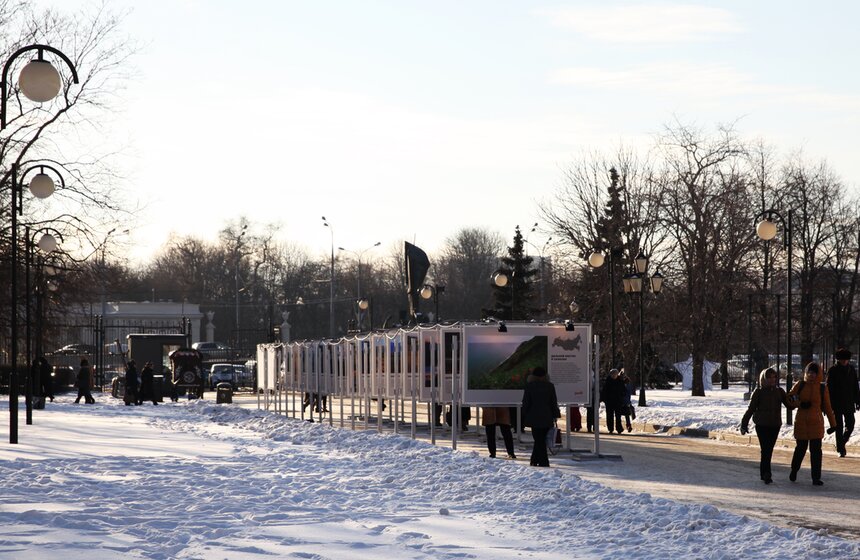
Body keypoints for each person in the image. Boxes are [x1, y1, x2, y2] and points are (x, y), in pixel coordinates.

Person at [787, 362, 837, 486]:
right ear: (806, 373)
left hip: (816, 423)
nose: (811, 375)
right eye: (809, 372)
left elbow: (827, 406)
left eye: (814, 373)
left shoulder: (822, 388)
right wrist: (799, 403)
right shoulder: (800, 385)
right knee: (800, 449)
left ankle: (816, 477)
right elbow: (790, 397)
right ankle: (794, 470)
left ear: (818, 374)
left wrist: (833, 424)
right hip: (801, 422)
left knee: (816, 452)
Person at [740, 367, 789, 484]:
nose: (772, 380)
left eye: (774, 377)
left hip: (775, 425)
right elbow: (751, 409)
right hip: (762, 425)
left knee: (769, 449)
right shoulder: (758, 392)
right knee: (765, 449)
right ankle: (766, 474)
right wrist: (744, 423)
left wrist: (798, 400)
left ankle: (765, 473)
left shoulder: (779, 391)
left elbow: (789, 405)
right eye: (769, 377)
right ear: (764, 379)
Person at [521, 366, 560, 467]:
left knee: (538, 439)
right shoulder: (550, 386)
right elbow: (553, 402)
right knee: (541, 439)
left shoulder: (529, 386)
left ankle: (543, 461)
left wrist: (524, 414)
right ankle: (534, 460)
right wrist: (555, 415)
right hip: (547, 416)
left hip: (533, 417)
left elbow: (526, 402)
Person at [826, 348, 860, 457]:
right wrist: (829, 404)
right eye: (842, 359)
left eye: (846, 359)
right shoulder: (833, 370)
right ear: (838, 360)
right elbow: (829, 388)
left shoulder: (851, 370)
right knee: (838, 426)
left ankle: (842, 442)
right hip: (836, 403)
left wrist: (858, 400)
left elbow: (855, 386)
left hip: (849, 402)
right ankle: (841, 449)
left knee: (851, 424)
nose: (845, 361)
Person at [602, 368, 627, 434]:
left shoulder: (620, 381)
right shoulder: (607, 381)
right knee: (610, 415)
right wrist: (605, 400)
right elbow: (604, 391)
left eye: (615, 374)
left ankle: (619, 428)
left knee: (618, 416)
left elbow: (624, 390)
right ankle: (610, 428)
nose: (614, 376)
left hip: (618, 401)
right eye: (612, 374)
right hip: (609, 401)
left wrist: (622, 396)